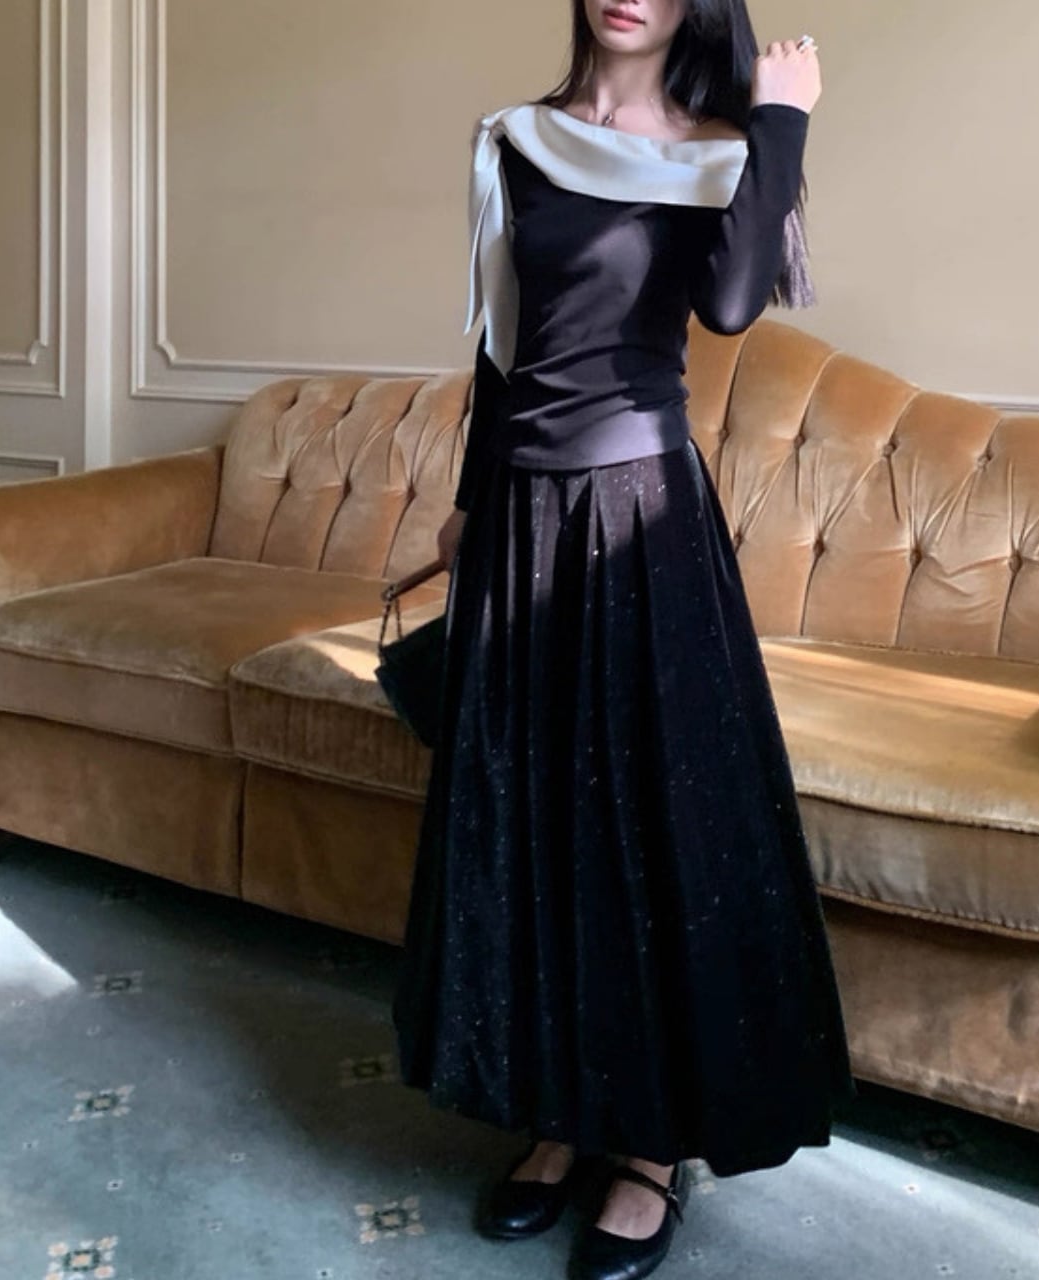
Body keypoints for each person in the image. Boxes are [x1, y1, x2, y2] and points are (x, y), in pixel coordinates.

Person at [391, 4, 857, 1277]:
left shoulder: (723, 147)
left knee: (646, 827)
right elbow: (501, 346)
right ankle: (556, 1112)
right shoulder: (516, 140)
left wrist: (779, 123)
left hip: (639, 517)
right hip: (520, 516)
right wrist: (468, 504)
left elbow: (728, 304)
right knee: (534, 821)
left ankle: (649, 1145)